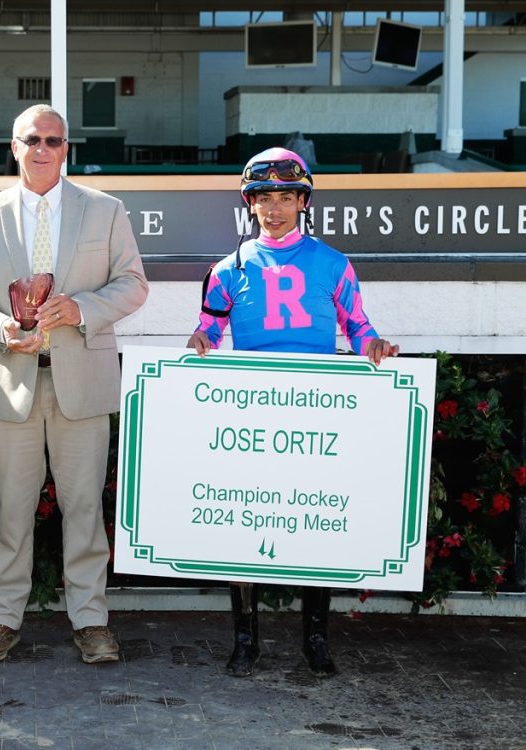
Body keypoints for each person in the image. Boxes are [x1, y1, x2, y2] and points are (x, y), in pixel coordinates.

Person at [0, 104, 148, 664]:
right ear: (13, 147)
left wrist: (79, 310)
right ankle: (1, 617)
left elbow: (133, 284)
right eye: (31, 139)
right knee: (11, 511)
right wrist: (1, 328)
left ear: (67, 149)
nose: (42, 149)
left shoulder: (105, 211)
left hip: (80, 382)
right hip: (10, 385)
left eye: (53, 140)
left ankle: (91, 620)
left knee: (84, 509)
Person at [187, 147, 398, 678]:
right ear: (249, 203)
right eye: (264, 198)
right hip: (253, 416)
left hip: (316, 415)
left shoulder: (333, 263)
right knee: (245, 525)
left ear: (303, 201)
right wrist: (199, 342)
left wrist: (374, 346)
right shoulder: (227, 268)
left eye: (286, 197)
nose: (275, 207)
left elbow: (358, 325)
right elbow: (211, 329)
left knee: (317, 525)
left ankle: (317, 641)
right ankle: (244, 641)